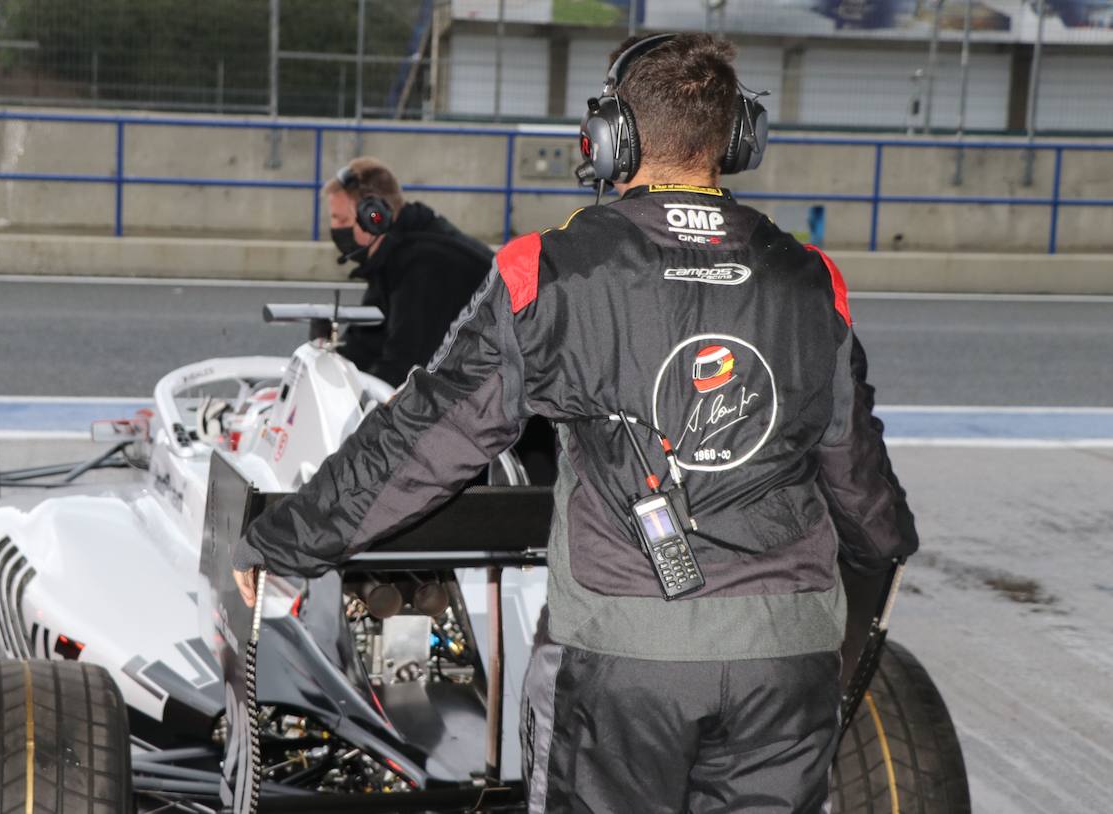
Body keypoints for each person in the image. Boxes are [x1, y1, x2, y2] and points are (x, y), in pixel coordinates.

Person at [233, 33, 918, 813]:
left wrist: (286, 539)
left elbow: (423, 441)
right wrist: (876, 564)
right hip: (788, 664)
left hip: (622, 663)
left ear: (608, 139)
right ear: (737, 139)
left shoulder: (548, 271)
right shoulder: (811, 278)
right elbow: (864, 497)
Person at [325, 157, 493, 387]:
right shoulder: (392, 256)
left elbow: (403, 371)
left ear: (374, 217)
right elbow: (366, 344)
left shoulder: (425, 264)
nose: (335, 228)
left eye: (342, 219)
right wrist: (327, 357)